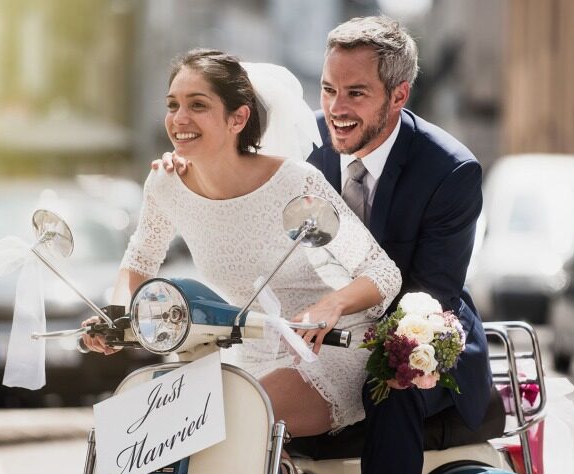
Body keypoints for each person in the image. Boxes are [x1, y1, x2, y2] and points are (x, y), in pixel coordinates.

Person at [154, 16, 493, 474]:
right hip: (304, 329)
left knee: (393, 389)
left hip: (416, 329)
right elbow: (235, 167)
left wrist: (342, 314)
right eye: (328, 89)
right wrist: (184, 161)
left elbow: (430, 293)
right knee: (204, 399)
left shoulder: (448, 169)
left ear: (399, 95)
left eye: (356, 93)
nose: (336, 108)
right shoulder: (301, 143)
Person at [83, 48, 402, 440]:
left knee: (214, 423)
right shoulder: (165, 184)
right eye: (173, 105)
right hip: (245, 352)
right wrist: (115, 318)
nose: (179, 119)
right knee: (130, 432)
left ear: (238, 118)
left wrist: (329, 306)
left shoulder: (293, 181)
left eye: (197, 105)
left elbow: (382, 271)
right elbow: (140, 260)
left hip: (327, 349)